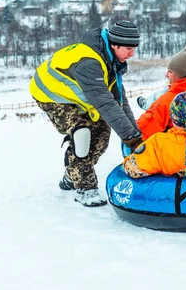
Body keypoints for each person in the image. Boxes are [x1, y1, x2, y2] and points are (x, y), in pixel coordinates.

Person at [30, 21, 144, 207]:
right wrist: (130, 138)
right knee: (81, 133)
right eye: (129, 48)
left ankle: (71, 174)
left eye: (134, 48)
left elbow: (119, 101)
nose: (132, 54)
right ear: (114, 44)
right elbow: (105, 102)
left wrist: (134, 135)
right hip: (50, 93)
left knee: (101, 136)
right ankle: (85, 189)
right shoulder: (90, 63)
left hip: (74, 94)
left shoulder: (111, 61)